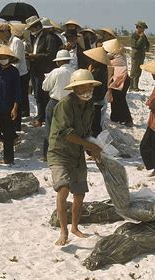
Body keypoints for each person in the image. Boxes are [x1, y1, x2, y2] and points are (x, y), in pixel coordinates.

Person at [47, 69, 102, 245]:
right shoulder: (64, 104)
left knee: (79, 194)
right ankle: (63, 231)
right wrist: (88, 145)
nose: (87, 90)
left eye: (89, 87)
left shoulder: (90, 106)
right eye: (82, 87)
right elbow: (65, 133)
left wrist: (93, 149)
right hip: (60, 152)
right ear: (74, 89)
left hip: (77, 153)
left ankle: (75, 227)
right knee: (63, 189)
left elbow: (86, 132)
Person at [25, 16, 61, 127]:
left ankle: (42, 117)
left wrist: (35, 56)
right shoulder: (36, 38)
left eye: (32, 28)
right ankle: (40, 115)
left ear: (37, 26)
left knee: (42, 95)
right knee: (37, 94)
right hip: (35, 69)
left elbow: (51, 55)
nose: (31, 31)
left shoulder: (49, 38)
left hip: (44, 70)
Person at [42, 49, 73, 159]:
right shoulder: (74, 72)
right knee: (68, 129)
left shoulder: (55, 72)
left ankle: (48, 154)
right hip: (70, 103)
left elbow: (45, 87)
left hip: (55, 102)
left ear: (59, 61)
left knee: (50, 129)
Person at [104, 39, 133, 127]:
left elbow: (106, 58)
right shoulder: (120, 55)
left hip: (120, 79)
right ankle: (116, 117)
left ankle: (127, 120)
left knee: (120, 100)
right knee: (116, 99)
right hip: (121, 79)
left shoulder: (116, 56)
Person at [84, 46, 109, 137]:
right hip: (98, 100)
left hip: (96, 100)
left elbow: (90, 83)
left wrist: (89, 72)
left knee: (94, 125)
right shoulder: (101, 68)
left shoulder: (99, 72)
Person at [10, 23, 31, 119]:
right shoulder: (12, 42)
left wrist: (11, 71)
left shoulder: (17, 42)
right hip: (17, 72)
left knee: (21, 94)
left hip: (20, 73)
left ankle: (24, 112)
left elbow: (16, 59)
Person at [129, 21, 150, 91]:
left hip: (141, 55)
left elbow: (147, 43)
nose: (143, 30)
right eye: (141, 28)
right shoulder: (134, 35)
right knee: (133, 72)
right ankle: (131, 86)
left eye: (144, 28)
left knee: (138, 72)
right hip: (135, 56)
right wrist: (140, 38)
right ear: (137, 27)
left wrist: (147, 48)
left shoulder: (143, 36)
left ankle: (136, 87)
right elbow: (135, 45)